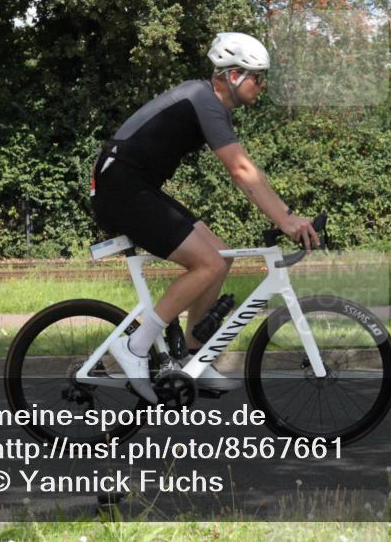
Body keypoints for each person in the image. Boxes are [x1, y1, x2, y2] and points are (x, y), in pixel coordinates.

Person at [90, 32, 321, 403]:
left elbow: (243, 169)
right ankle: (135, 348)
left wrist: (287, 216)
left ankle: (189, 355)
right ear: (232, 76)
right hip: (121, 188)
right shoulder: (204, 100)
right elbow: (242, 170)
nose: (262, 85)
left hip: (133, 185)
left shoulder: (208, 103)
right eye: (257, 77)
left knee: (220, 257)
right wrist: (287, 219)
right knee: (209, 263)